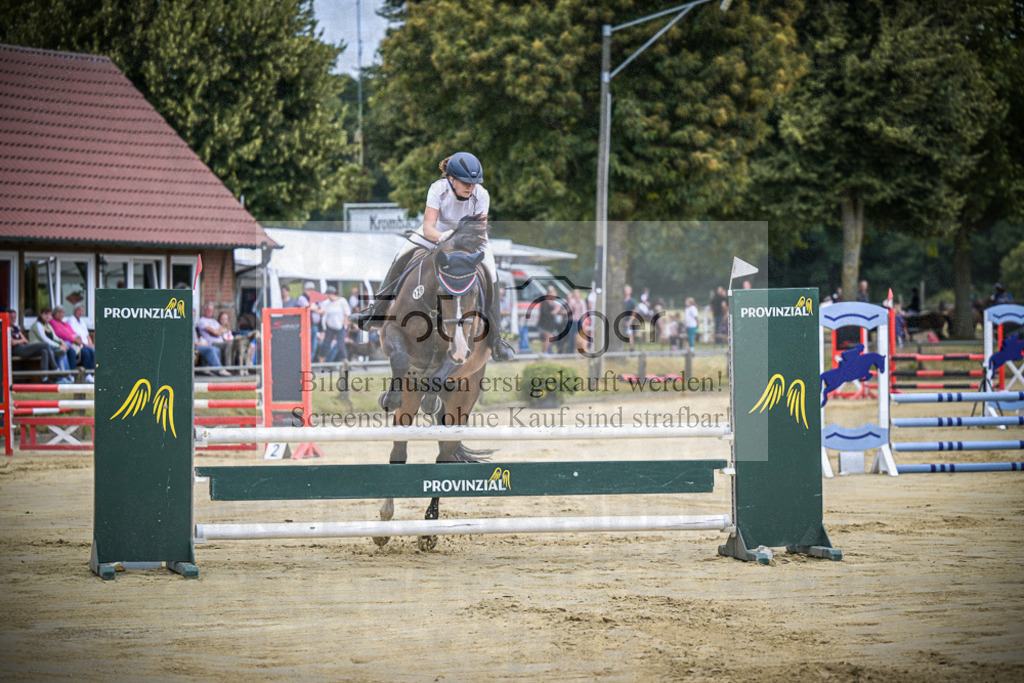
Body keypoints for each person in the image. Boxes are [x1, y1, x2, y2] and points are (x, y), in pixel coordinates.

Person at [350, 152, 516, 361]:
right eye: (465, 182)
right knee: (401, 255)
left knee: (491, 273)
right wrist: (444, 238)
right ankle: (376, 310)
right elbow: (428, 227)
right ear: (451, 179)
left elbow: (479, 230)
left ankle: (497, 337)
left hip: (469, 237)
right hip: (437, 231)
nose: (470, 187)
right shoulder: (438, 189)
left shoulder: (482, 194)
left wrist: (459, 242)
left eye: (474, 183)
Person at [7, 310, 63, 382]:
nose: (13, 319)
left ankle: (45, 378)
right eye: (11, 317)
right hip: (17, 350)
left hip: (24, 347)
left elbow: (26, 341)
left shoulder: (16, 328)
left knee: (44, 351)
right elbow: (13, 343)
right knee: (45, 345)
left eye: (15, 317)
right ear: (7, 317)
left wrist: (22, 341)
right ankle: (55, 368)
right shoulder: (6, 328)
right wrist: (22, 341)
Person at [50, 307, 95, 377]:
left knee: (90, 351)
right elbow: (60, 333)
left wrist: (77, 338)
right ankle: (74, 375)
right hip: (64, 344)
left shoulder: (64, 323)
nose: (61, 314)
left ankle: (91, 374)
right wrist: (74, 339)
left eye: (62, 312)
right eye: (59, 312)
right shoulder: (53, 322)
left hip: (73, 343)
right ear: (55, 313)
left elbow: (73, 332)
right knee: (78, 352)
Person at [28, 308, 72, 374]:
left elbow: (54, 337)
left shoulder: (48, 325)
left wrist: (62, 342)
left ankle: (68, 375)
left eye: (49, 314)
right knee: (61, 352)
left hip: (48, 347)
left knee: (66, 345)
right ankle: (62, 376)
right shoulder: (37, 324)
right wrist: (58, 345)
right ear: (41, 314)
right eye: (45, 314)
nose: (48, 316)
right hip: (37, 348)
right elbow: (44, 339)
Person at [316, 286, 352, 363]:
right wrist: (313, 308)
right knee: (325, 345)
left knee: (340, 345)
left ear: (331, 294)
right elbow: (322, 311)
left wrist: (344, 323)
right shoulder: (326, 303)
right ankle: (321, 363)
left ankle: (345, 362)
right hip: (330, 327)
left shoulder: (342, 301)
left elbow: (348, 314)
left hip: (340, 327)